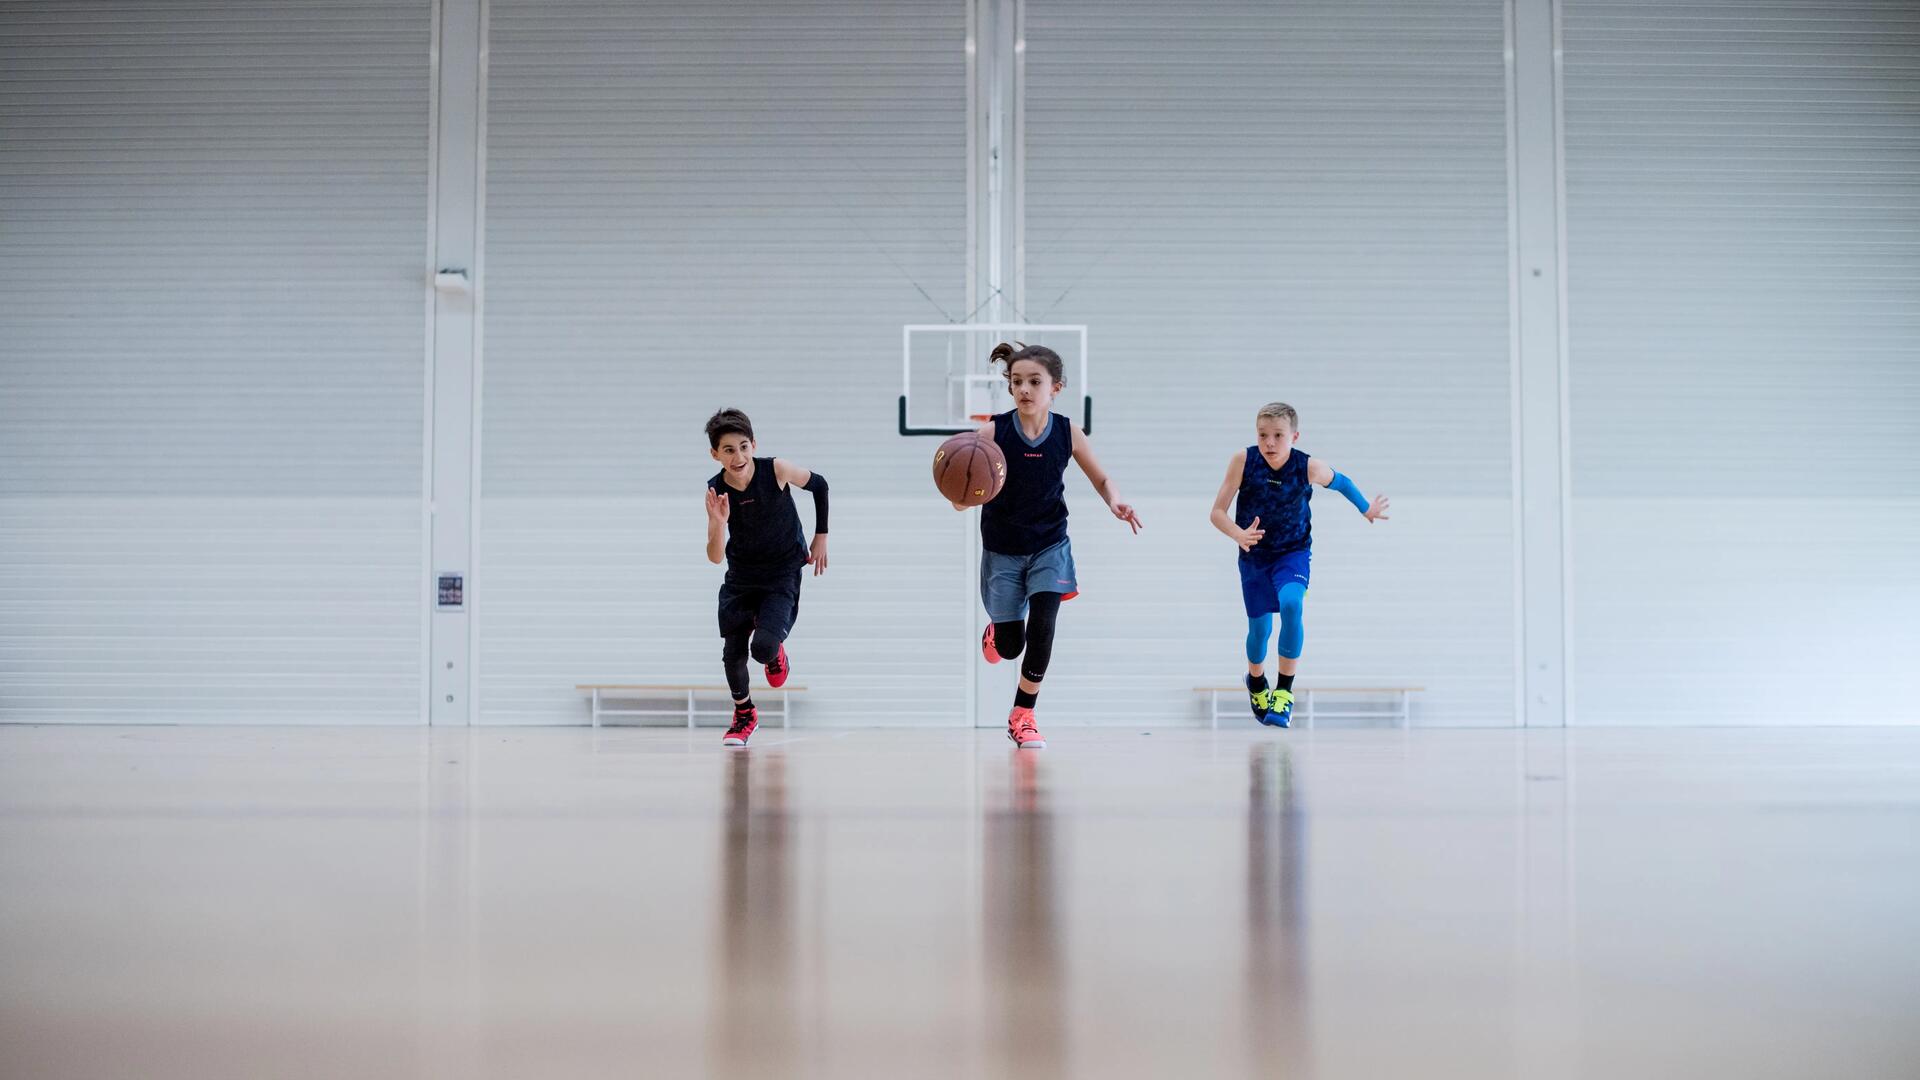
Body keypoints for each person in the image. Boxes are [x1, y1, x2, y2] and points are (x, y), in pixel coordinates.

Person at [956, 343, 1141, 749]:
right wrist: (961, 493)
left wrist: (1115, 500)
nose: (1024, 389)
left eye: (1034, 381)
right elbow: (963, 488)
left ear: (1055, 387)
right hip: (1003, 548)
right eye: (1017, 381)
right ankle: (996, 633)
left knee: (1043, 624)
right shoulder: (992, 432)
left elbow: (1101, 477)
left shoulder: (1067, 431)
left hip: (1050, 545)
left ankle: (1023, 713)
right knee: (1010, 647)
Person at [1208, 402, 1388, 727]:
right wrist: (1238, 534)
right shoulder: (1243, 461)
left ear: (1294, 436)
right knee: (1259, 630)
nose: (1270, 443)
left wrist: (1365, 508)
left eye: (1278, 436)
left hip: (1293, 552)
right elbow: (1217, 512)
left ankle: (1284, 692)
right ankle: (1256, 680)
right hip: (1255, 554)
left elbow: (1342, 481)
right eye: (1263, 435)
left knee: (1292, 604)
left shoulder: (1308, 467)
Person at [704, 408, 828, 746]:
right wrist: (717, 523)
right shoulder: (716, 492)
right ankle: (744, 714)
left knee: (762, 648)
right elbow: (715, 557)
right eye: (728, 450)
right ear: (715, 454)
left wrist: (822, 536)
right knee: (733, 653)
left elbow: (820, 485)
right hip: (741, 578)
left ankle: (777, 654)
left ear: (754, 445)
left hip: (781, 573)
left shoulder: (776, 470)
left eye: (743, 446)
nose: (738, 456)